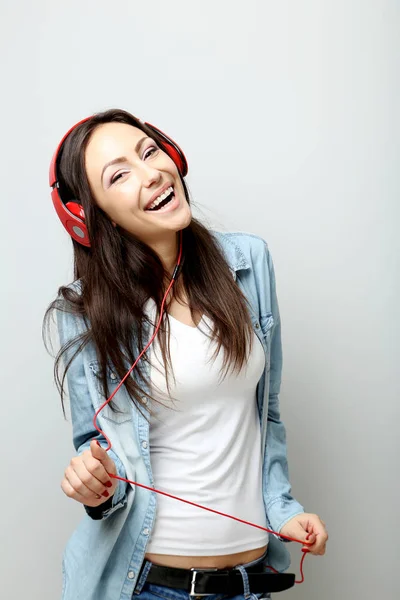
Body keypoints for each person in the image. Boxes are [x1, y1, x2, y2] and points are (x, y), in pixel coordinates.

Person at [44, 108, 328, 600]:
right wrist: (94, 483)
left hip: (250, 582)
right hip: (149, 586)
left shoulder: (249, 263)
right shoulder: (84, 312)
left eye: (150, 151)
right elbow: (96, 448)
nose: (150, 171)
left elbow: (267, 412)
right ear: (91, 218)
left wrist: (283, 509)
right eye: (120, 174)